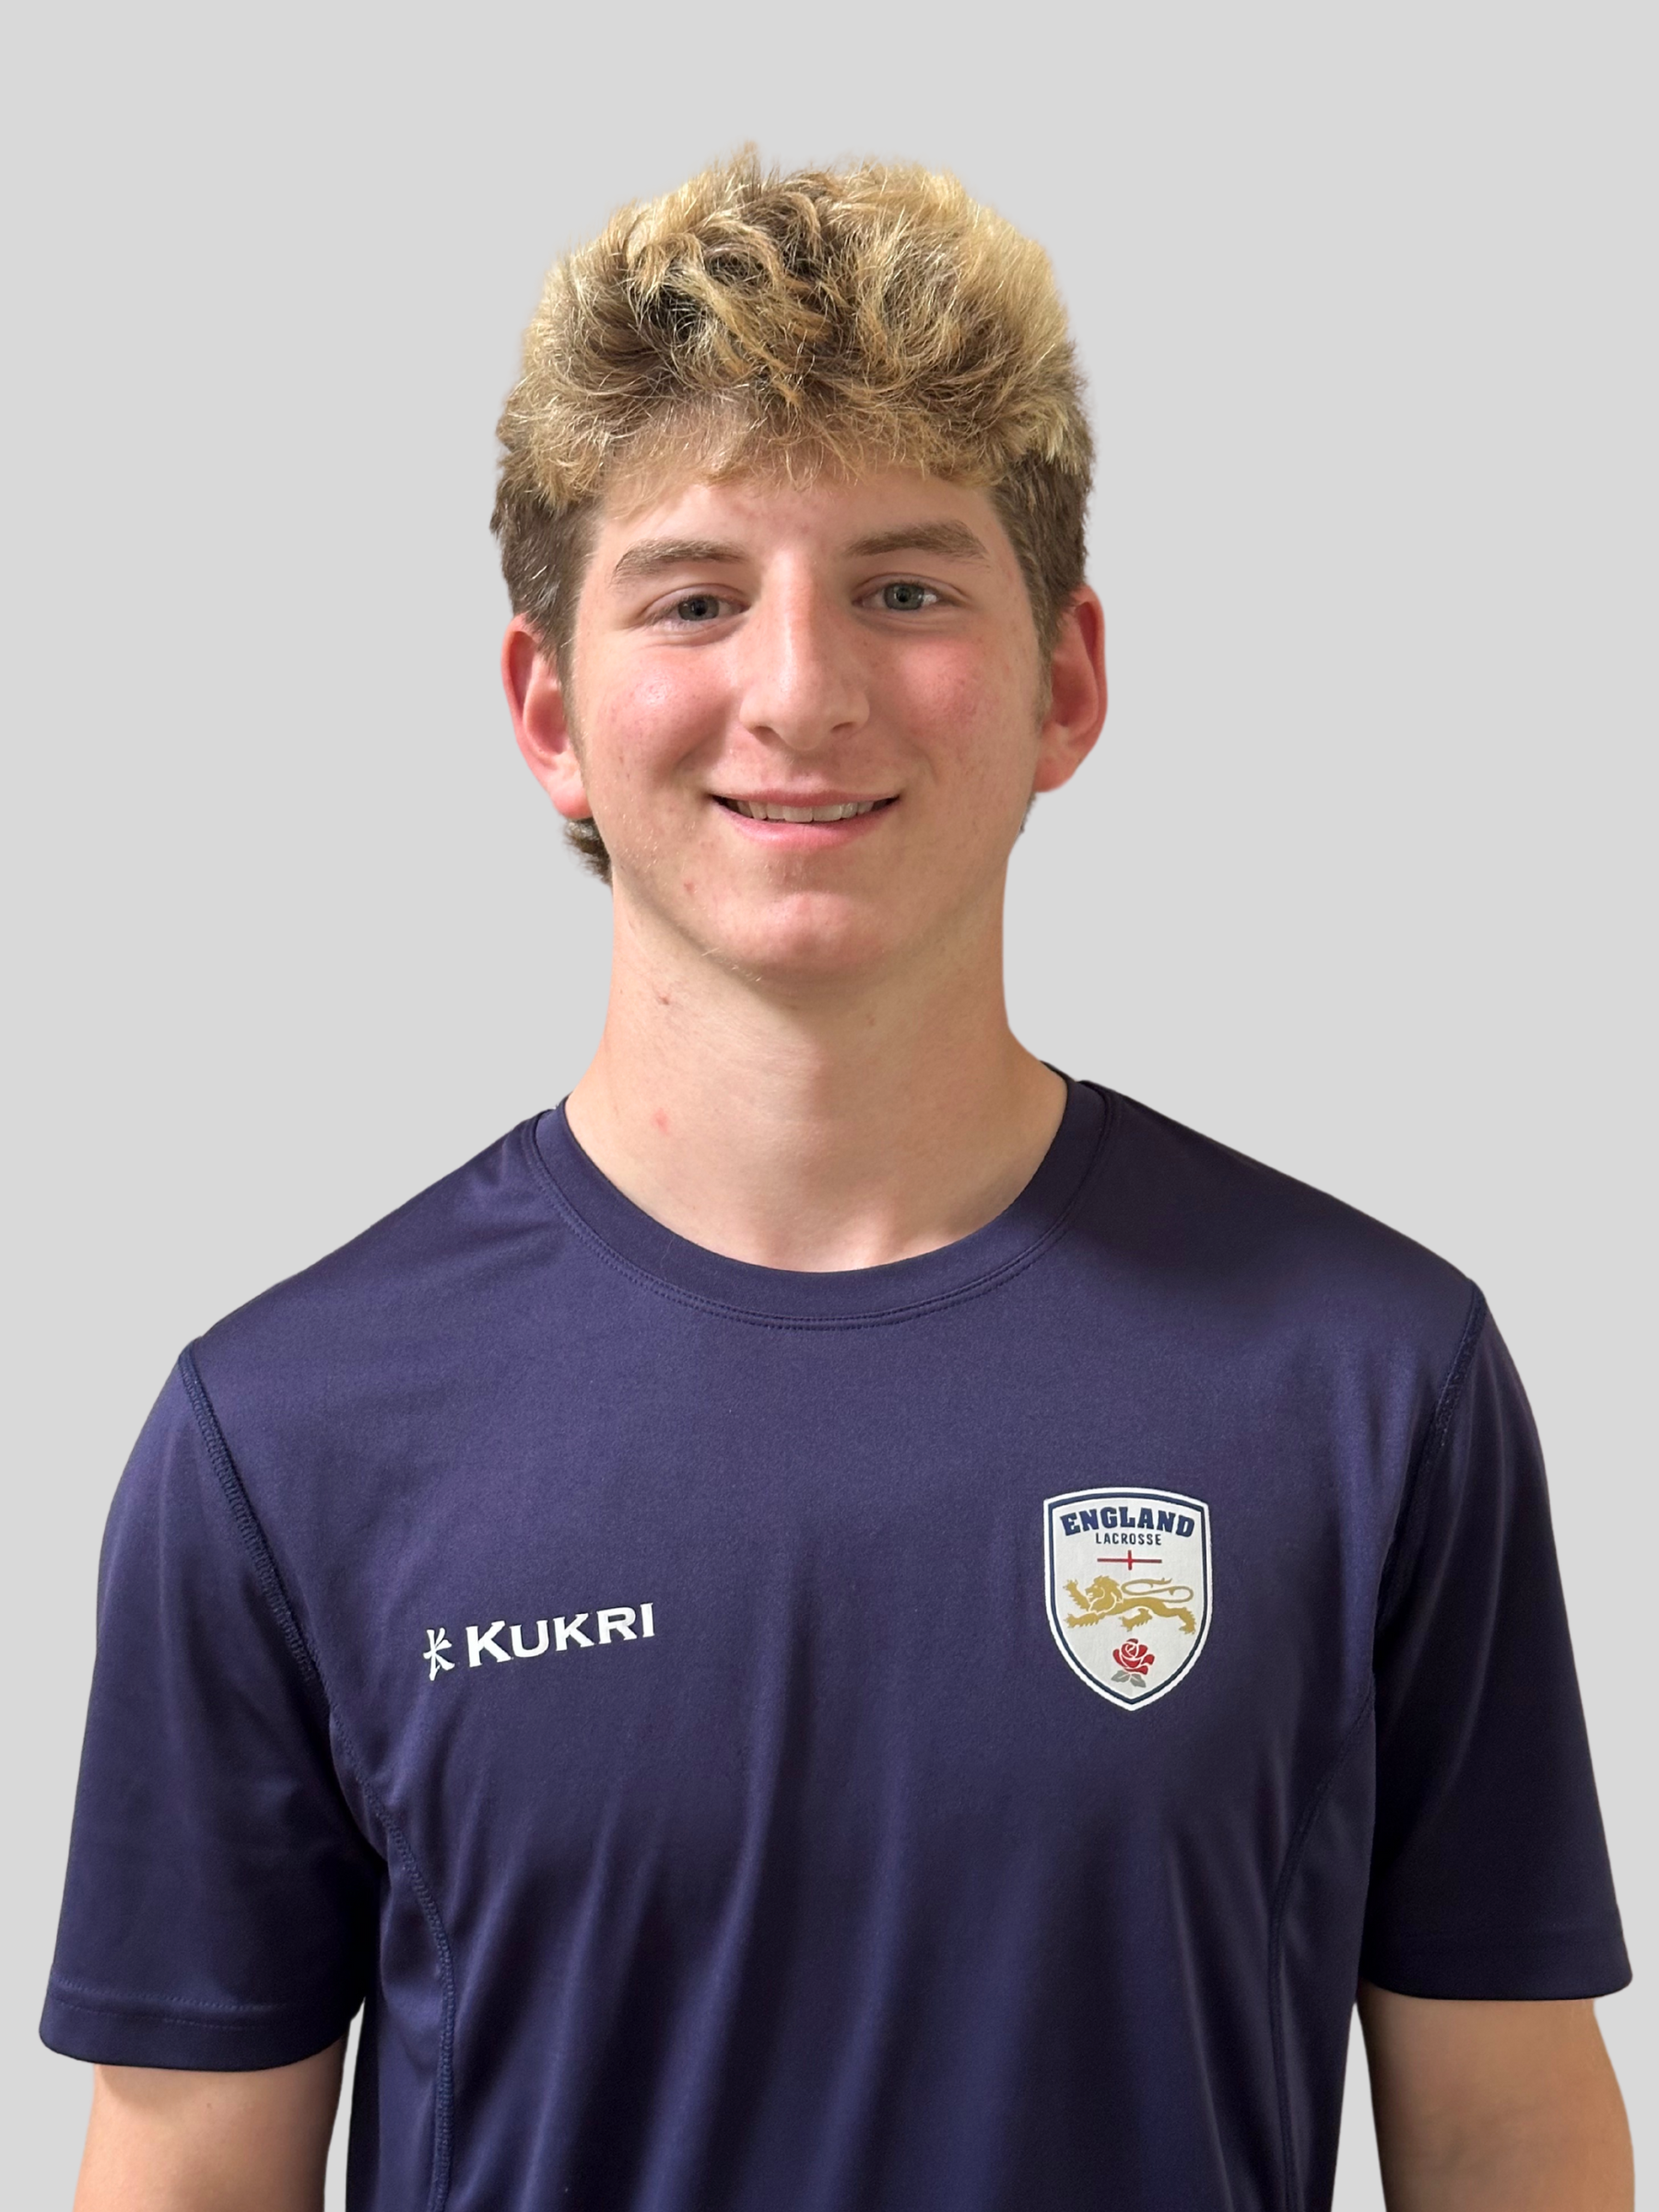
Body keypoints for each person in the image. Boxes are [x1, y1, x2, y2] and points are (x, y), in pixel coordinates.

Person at [44, 152, 1632, 2212]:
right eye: (696, 596)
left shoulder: (1369, 1379)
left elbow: (1509, 2129)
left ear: (1065, 681)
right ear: (550, 709)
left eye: (904, 586)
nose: (799, 690)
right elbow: (184, 2177)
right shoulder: (288, 1439)